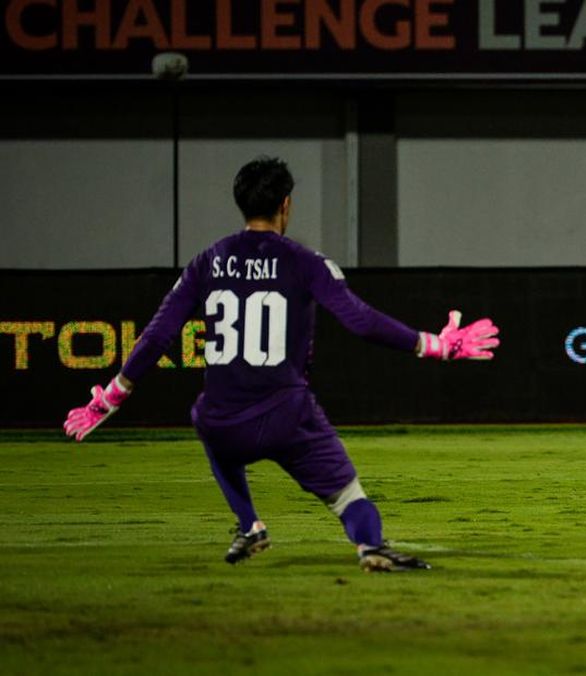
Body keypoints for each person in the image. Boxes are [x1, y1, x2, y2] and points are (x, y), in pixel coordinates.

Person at [63, 156, 500, 570]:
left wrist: (111, 399)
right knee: (347, 495)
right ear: (285, 205)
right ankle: (370, 546)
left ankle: (249, 523)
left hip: (225, 420)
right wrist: (434, 345)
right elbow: (361, 321)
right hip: (288, 416)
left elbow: (158, 334)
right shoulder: (305, 262)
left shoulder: (207, 261)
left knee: (205, 419)